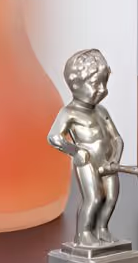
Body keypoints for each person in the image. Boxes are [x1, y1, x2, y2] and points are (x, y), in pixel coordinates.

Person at [49, 48, 126, 250]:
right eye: (95, 84)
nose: (102, 89)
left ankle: (102, 228)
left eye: (104, 83)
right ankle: (83, 234)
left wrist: (115, 159)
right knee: (94, 198)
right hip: (87, 163)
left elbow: (117, 138)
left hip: (108, 163)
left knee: (111, 197)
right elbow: (54, 137)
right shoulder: (69, 113)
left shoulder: (102, 112)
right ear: (76, 84)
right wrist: (75, 151)